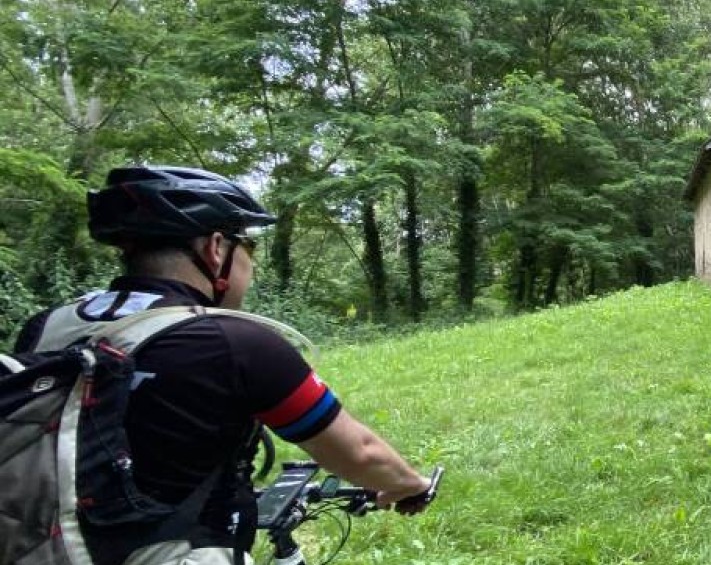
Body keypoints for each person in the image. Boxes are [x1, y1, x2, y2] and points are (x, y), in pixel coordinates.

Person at [12, 166, 433, 565]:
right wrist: (409, 485)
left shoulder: (45, 327)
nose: (250, 262)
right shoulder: (236, 343)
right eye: (247, 246)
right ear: (216, 248)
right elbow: (359, 452)